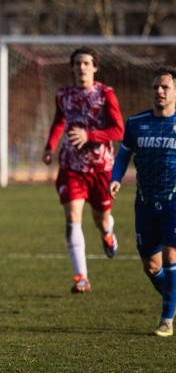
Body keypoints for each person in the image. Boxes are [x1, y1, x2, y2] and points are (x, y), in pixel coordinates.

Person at [42, 47, 124, 293]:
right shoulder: (63, 94)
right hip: (71, 166)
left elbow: (118, 131)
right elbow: (59, 121)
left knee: (101, 219)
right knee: (72, 217)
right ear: (72, 67)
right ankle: (82, 278)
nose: (82, 67)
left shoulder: (105, 94)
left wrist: (89, 135)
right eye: (77, 63)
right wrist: (50, 146)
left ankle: (108, 232)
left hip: (100, 167)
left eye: (86, 63)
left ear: (95, 67)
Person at [109, 67, 176, 337]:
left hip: (174, 201)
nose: (159, 91)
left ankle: (167, 318)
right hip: (145, 203)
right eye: (155, 87)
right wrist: (115, 178)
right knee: (151, 265)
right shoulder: (136, 123)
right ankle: (172, 295)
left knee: (172, 255)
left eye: (165, 87)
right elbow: (124, 156)